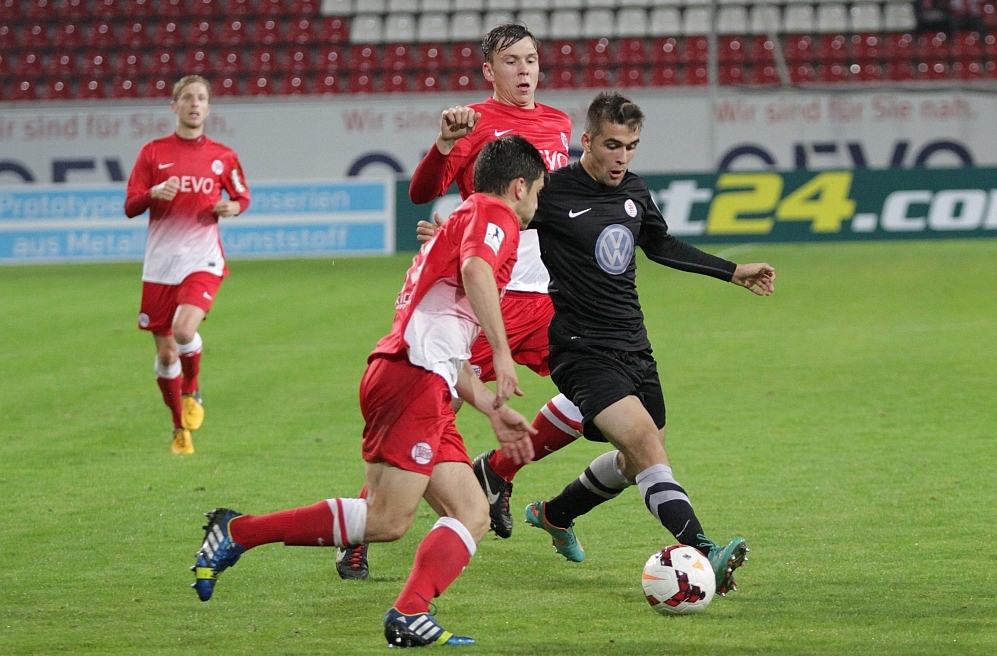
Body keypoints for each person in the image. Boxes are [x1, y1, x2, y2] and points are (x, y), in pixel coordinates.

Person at [190, 136, 546, 648]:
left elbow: (445, 336)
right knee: (386, 518)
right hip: (413, 379)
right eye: (539, 190)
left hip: (419, 375)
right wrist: (504, 353)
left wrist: (491, 408)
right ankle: (238, 532)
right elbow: (476, 272)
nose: (538, 201)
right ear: (519, 186)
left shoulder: (464, 218)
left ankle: (409, 612)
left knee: (472, 512)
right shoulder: (496, 214)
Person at [337, 22, 584, 580]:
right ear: (489, 71)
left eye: (531, 59)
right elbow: (422, 193)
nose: (525, 70)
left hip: (546, 295)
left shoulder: (558, 123)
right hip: (490, 297)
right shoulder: (475, 121)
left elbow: (550, 207)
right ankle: (360, 529)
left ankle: (498, 472)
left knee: (594, 387)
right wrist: (445, 144)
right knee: (431, 410)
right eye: (512, 62)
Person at [524, 92, 775, 596]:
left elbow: (661, 244)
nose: (622, 157)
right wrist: (447, 234)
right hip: (581, 350)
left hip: (635, 347)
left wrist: (732, 271)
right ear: (587, 140)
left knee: (636, 458)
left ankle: (556, 513)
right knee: (645, 445)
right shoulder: (551, 193)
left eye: (632, 146)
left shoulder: (634, 190)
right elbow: (496, 220)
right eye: (613, 145)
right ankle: (705, 551)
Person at [125, 75, 250, 456]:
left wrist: (232, 207)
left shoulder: (223, 156)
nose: (195, 103)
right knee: (166, 355)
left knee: (183, 330)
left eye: (201, 98)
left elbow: (242, 196)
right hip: (161, 265)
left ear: (208, 108)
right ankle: (179, 426)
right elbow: (130, 205)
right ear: (174, 106)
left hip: (203, 258)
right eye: (188, 98)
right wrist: (152, 193)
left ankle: (192, 388)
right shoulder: (152, 153)